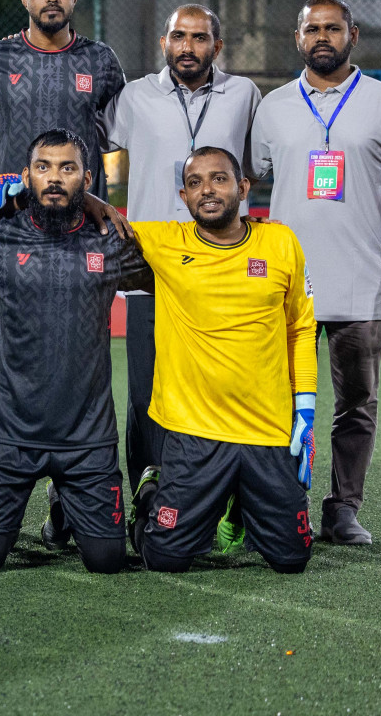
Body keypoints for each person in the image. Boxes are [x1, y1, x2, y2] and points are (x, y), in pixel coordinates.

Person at [249, 0, 381, 546]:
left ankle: (343, 508)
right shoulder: (272, 106)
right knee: (274, 402)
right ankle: (281, 505)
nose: (321, 37)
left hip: (359, 281)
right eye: (311, 29)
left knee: (356, 404)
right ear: (297, 37)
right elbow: (246, 182)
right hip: (284, 287)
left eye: (332, 28)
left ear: (354, 35)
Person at [0, 129, 147, 575]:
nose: (55, 178)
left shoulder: (110, 240)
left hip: (86, 439)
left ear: (87, 178)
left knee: (107, 561)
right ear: (26, 177)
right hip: (8, 434)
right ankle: (55, 502)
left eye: (68, 168)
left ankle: (67, 503)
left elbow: (172, 272)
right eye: (43, 168)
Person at [128, 146, 317, 575]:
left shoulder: (280, 242)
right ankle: (152, 489)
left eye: (219, 179)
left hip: (266, 429)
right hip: (195, 432)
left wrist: (304, 410)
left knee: (292, 558)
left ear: (243, 187)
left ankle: (237, 500)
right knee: (165, 558)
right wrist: (22, 186)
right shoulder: (165, 241)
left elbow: (301, 328)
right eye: (195, 183)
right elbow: (96, 220)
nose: (207, 190)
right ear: (183, 195)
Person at [101, 4, 260, 499]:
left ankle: (218, 494)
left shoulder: (244, 95)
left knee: (218, 384)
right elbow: (91, 151)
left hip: (224, 265)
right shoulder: (134, 97)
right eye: (177, 36)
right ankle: (148, 494)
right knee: (146, 388)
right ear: (163, 43)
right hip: (151, 265)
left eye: (198, 37)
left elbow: (259, 164)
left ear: (218, 46)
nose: (187, 47)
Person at [0, 0, 125, 196]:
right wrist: (9, 143)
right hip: (11, 209)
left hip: (84, 211)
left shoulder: (101, 59)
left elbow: (116, 128)